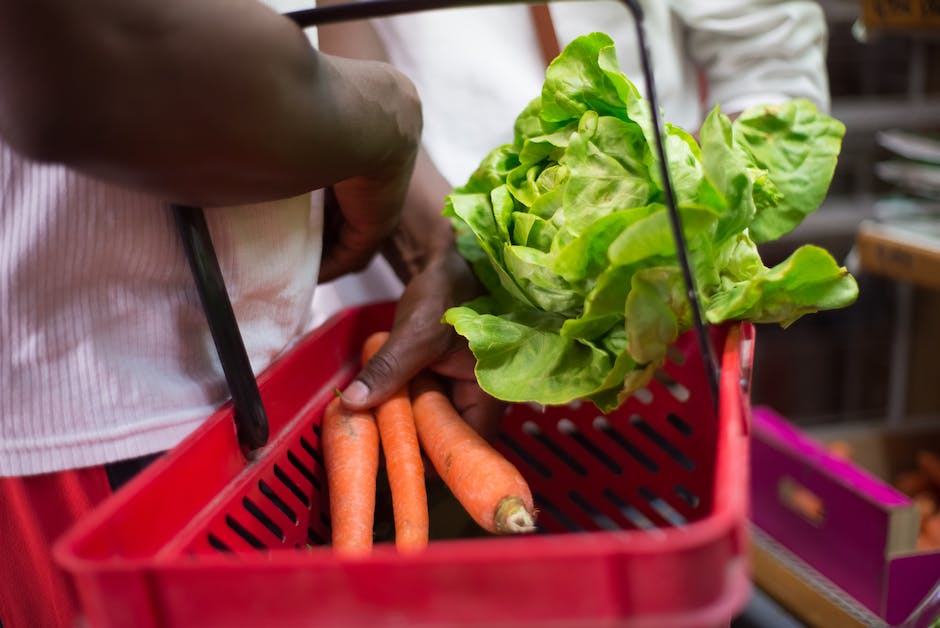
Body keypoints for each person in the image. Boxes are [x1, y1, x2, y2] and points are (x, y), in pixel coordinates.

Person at [0, 1, 481, 625]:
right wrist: (388, 119)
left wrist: (432, 236)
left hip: (263, 392)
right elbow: (95, 60)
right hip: (71, 440)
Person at [313, 0, 833, 343]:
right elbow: (321, 28)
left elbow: (770, 68)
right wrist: (439, 238)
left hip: (655, 313)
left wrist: (677, 231)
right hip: (395, 283)